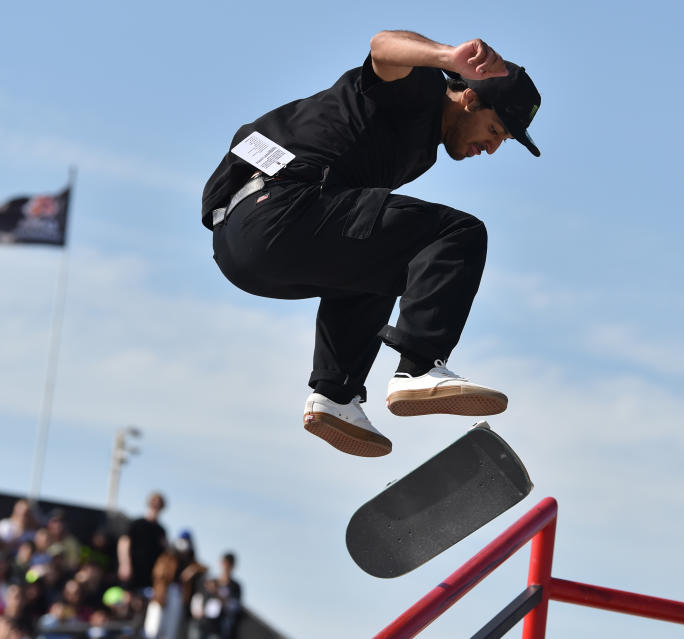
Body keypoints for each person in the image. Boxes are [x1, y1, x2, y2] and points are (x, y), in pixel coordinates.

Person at [203, 31, 542, 457]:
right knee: (457, 235)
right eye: (494, 130)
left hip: (242, 244)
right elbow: (382, 46)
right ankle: (419, 367)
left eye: (502, 142)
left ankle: (336, 396)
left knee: (386, 259)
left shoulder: (420, 150)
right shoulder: (419, 90)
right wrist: (448, 58)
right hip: (274, 210)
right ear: (470, 100)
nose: (491, 148)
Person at [116, 493, 166, 597]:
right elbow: (124, 542)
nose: (156, 507)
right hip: (132, 571)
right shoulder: (137, 524)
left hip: (148, 576)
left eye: (159, 505)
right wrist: (124, 564)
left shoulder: (161, 531)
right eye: (154, 503)